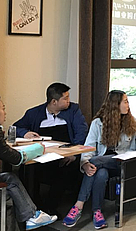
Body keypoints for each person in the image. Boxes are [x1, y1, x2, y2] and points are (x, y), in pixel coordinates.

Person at [62, 90, 136, 230]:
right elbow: (89, 146)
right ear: (115, 105)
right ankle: (97, 212)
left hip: (122, 163)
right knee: (101, 173)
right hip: (103, 165)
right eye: (125, 102)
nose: (128, 104)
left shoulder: (131, 122)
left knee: (95, 161)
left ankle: (79, 205)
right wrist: (85, 164)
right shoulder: (97, 123)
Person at [0, 95, 58, 231]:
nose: (5, 112)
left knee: (9, 180)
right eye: (2, 108)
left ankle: (30, 219)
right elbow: (16, 159)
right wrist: (39, 148)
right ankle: (30, 219)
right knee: (7, 191)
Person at [13, 83, 88, 213]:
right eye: (65, 98)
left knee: (66, 170)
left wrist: (73, 153)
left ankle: (51, 208)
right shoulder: (34, 113)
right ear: (54, 102)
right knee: (27, 169)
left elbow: (81, 132)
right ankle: (34, 207)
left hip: (67, 155)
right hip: (43, 155)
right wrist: (25, 133)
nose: (69, 101)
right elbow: (15, 127)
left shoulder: (73, 110)